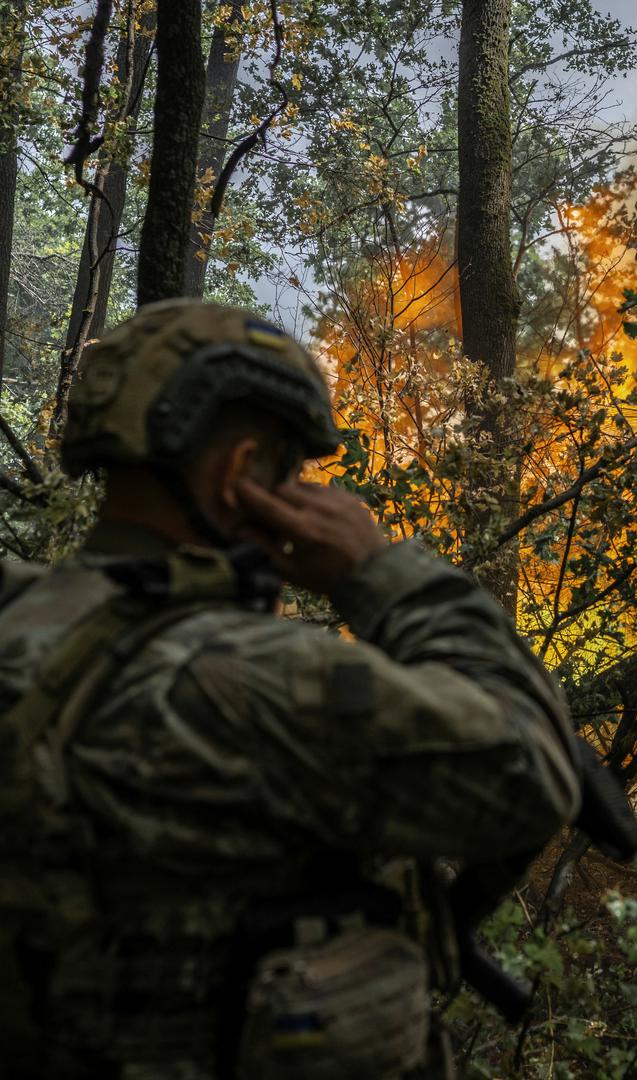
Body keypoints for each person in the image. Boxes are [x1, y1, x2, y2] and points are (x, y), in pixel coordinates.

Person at [0, 300, 583, 1078]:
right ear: (243, 473)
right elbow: (533, 768)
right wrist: (380, 571)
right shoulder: (247, 677)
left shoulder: (19, 617)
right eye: (292, 471)